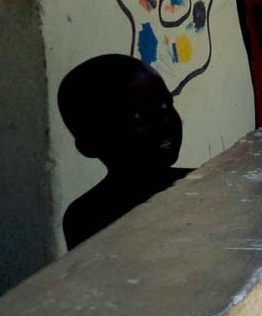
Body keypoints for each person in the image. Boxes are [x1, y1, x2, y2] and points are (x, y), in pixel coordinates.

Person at [58, 54, 192, 249]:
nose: (164, 120)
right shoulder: (88, 217)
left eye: (166, 105)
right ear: (89, 144)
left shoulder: (210, 184)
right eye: (139, 117)